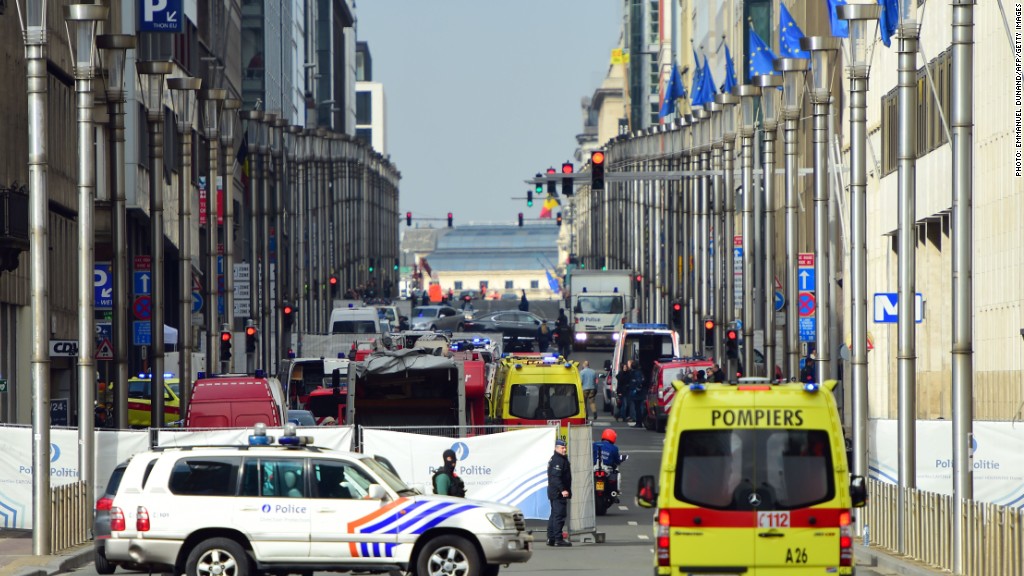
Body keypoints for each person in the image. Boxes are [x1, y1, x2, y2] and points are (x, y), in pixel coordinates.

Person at [546, 439, 572, 547]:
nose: (564, 449)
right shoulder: (558, 460)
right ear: (556, 448)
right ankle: (558, 539)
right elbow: (556, 478)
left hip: (554, 491)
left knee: (554, 515)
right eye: (562, 448)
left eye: (565, 447)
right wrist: (563, 490)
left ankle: (551, 538)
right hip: (557, 492)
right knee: (559, 516)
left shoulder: (559, 458)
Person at [629, 360, 647, 427]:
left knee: (638, 409)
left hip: (638, 394)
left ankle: (639, 422)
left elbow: (639, 382)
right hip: (639, 393)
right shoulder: (638, 372)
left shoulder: (636, 373)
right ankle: (639, 422)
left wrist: (636, 390)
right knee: (638, 408)